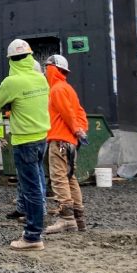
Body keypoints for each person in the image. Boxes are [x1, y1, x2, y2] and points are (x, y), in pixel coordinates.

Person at [0, 39, 50, 251]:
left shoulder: (12, 82)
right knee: (38, 182)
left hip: (24, 140)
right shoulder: (41, 79)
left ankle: (33, 236)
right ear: (30, 56)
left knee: (30, 187)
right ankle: (38, 220)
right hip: (42, 137)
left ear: (10, 60)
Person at [43, 55, 89, 234]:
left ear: (53, 69)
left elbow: (68, 113)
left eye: (47, 68)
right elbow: (79, 112)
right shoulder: (68, 89)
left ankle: (67, 219)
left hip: (59, 140)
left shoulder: (57, 90)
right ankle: (79, 219)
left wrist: (76, 129)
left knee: (59, 178)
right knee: (70, 178)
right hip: (70, 141)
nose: (46, 72)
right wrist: (80, 131)